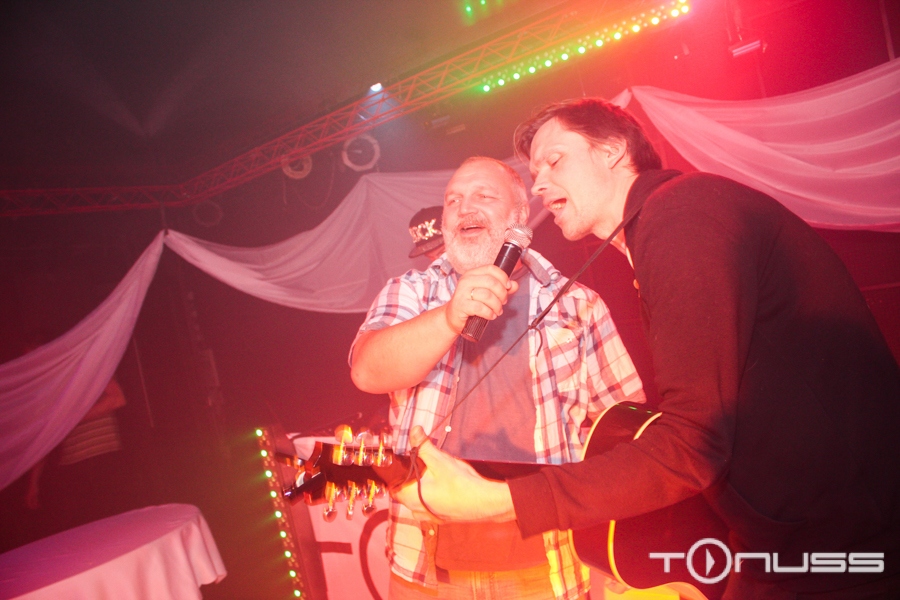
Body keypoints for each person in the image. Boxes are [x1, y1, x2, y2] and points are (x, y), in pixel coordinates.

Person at [392, 99, 900, 598]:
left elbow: (692, 443)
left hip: (848, 548)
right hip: (792, 544)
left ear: (613, 150)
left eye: (554, 161)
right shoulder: (670, 221)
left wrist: (502, 501)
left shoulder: (683, 214)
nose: (540, 182)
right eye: (535, 171)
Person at [350, 156, 645, 599]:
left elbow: (625, 430)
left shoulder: (577, 303)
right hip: (424, 565)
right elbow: (368, 371)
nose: (464, 207)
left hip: (546, 565)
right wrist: (449, 316)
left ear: (519, 217)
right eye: (453, 200)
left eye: (483, 196)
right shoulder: (411, 290)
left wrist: (623, 540)